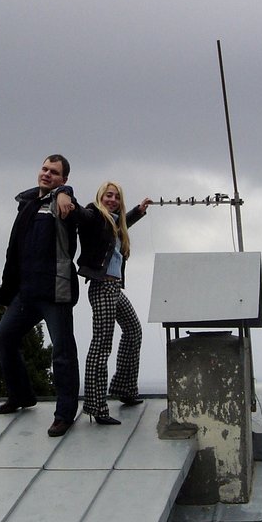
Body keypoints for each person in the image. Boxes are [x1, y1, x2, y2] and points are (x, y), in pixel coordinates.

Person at [0, 154, 80, 437]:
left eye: (54, 172)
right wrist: (9, 291)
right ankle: (21, 395)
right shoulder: (27, 204)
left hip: (55, 291)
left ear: (63, 179)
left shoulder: (64, 205)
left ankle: (64, 414)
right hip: (27, 291)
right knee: (2, 339)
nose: (47, 174)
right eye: (44, 169)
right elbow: (15, 252)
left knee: (62, 353)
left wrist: (65, 193)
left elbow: (72, 207)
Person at [76, 181, 152, 425]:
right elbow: (82, 215)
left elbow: (122, 224)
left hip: (114, 288)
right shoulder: (94, 215)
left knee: (133, 330)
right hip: (102, 287)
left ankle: (125, 388)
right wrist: (65, 195)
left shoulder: (115, 223)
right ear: (100, 197)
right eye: (108, 195)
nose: (112, 200)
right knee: (101, 345)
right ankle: (97, 406)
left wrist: (139, 210)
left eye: (117, 197)